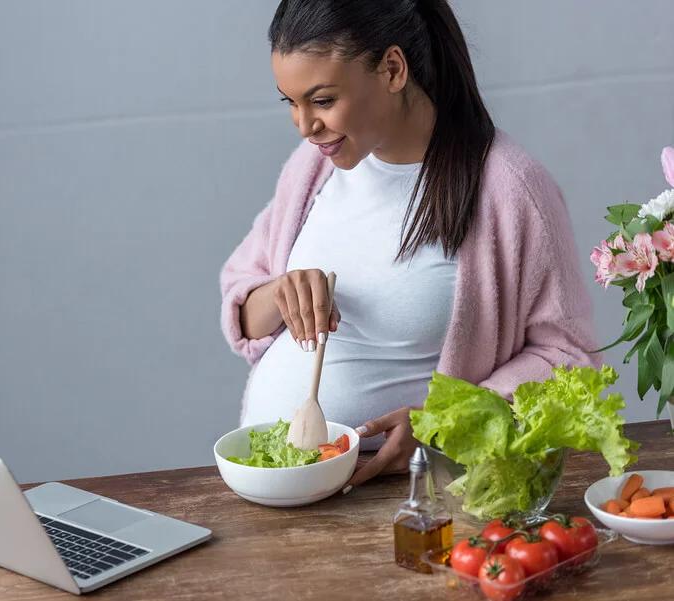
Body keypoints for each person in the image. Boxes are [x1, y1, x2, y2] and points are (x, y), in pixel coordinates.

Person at [219, 0, 600, 491]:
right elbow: (245, 311)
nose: (304, 125)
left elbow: (569, 357)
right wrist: (280, 293)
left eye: (323, 100)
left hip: (408, 497)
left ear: (393, 69)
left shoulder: (508, 188)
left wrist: (440, 428)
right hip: (274, 489)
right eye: (289, 102)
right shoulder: (311, 168)